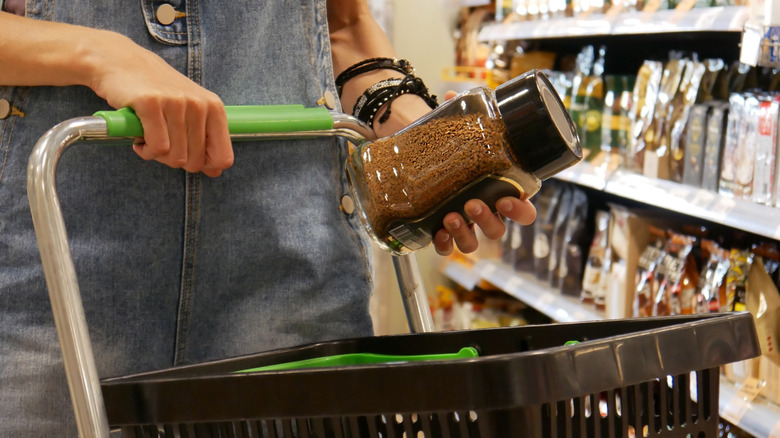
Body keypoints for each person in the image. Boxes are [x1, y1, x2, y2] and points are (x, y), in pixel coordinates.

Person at [0, 0, 537, 435]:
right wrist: (97, 52)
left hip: (294, 269)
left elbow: (344, 21)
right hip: (57, 276)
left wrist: (400, 115)